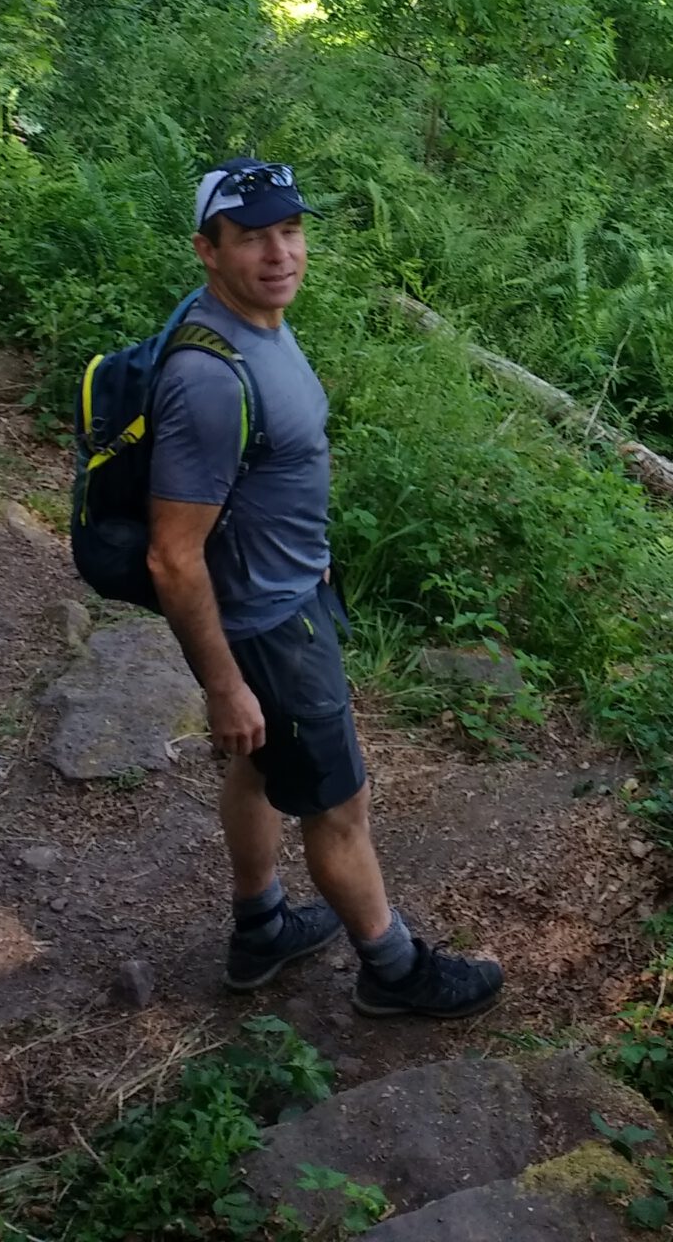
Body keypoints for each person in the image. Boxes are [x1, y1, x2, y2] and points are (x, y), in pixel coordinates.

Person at [145, 157, 506, 1018]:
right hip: (272, 628)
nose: (280, 253)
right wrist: (226, 680)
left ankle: (260, 925)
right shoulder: (207, 375)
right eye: (253, 238)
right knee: (340, 809)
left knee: (257, 767)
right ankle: (393, 971)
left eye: (291, 230)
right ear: (207, 250)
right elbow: (171, 555)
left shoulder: (258, 321)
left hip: (284, 596)